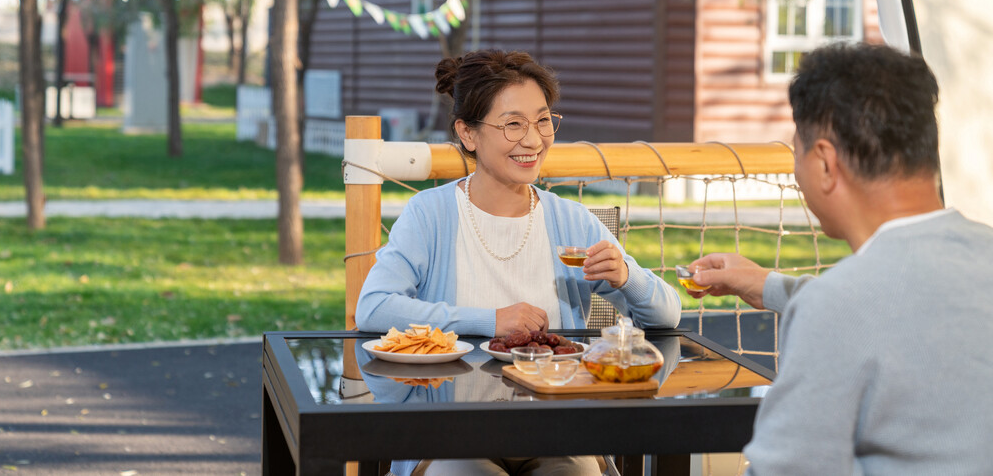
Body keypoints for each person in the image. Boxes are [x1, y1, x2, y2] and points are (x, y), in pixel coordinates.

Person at [356, 49, 681, 476]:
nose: (533, 140)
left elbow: (666, 316)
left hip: (557, 427)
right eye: (513, 124)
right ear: (468, 134)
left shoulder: (571, 220)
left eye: (543, 121)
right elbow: (374, 307)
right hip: (453, 430)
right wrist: (491, 320)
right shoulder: (430, 213)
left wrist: (626, 277)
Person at [683, 42, 993, 475]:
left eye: (797, 152)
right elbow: (908, 304)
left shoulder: (836, 307)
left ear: (826, 163)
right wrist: (766, 284)